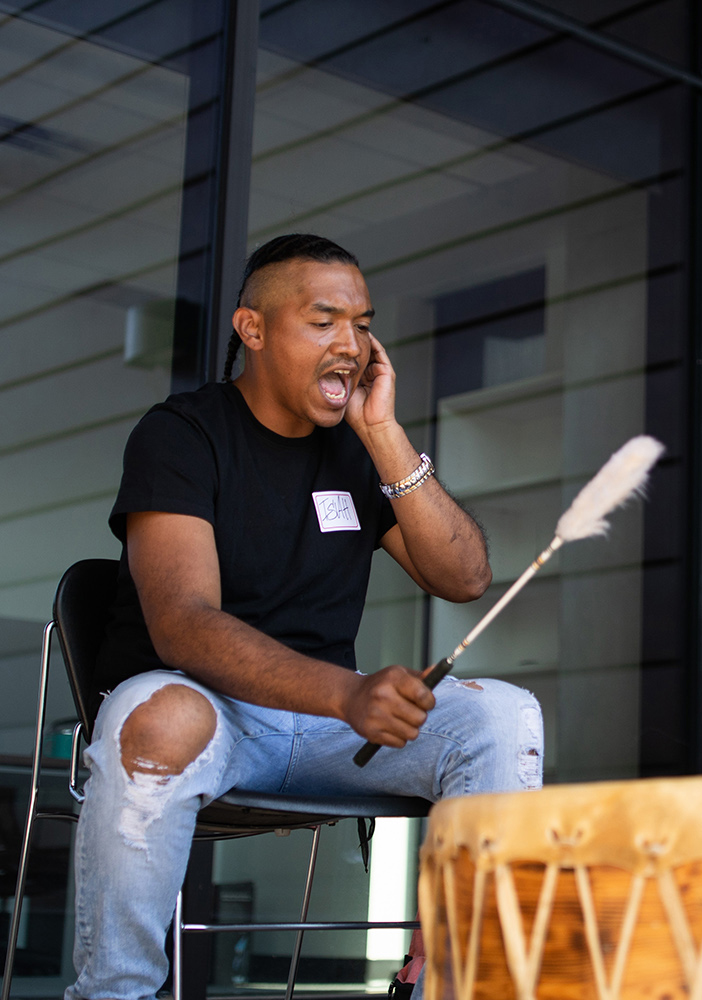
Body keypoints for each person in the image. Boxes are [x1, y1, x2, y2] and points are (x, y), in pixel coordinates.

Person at [69, 234, 542, 1000]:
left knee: (505, 717)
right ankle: (114, 993)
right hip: (210, 713)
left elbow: (465, 576)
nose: (350, 346)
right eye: (324, 321)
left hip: (328, 732)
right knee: (154, 717)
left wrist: (384, 435)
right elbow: (185, 624)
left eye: (361, 324)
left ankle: (458, 988)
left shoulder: (356, 452)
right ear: (252, 329)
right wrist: (347, 695)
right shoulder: (182, 434)